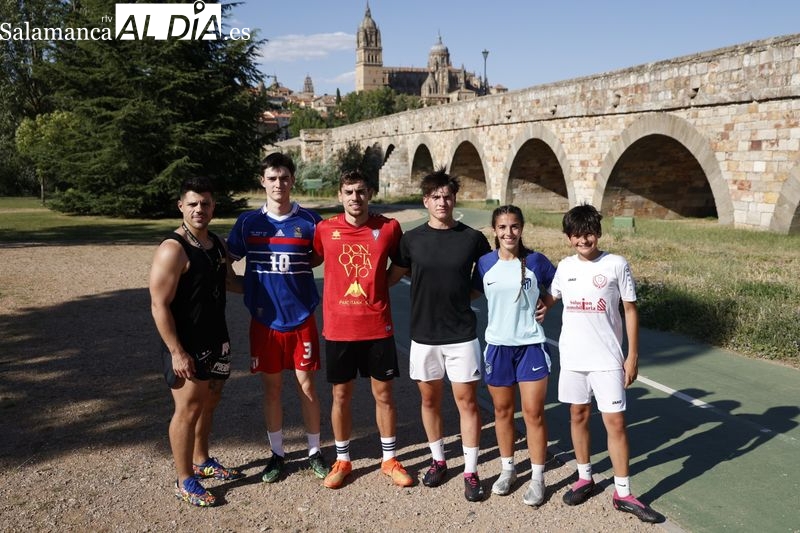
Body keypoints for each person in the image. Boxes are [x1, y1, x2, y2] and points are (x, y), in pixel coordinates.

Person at [549, 204, 664, 523]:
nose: (583, 240)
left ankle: (623, 492)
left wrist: (633, 355)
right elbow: (550, 298)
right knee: (577, 414)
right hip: (572, 358)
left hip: (608, 359)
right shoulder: (564, 266)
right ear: (568, 238)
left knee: (615, 422)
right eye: (575, 235)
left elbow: (630, 309)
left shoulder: (616, 264)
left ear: (597, 233)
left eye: (588, 233)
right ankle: (585, 477)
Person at [389, 169, 491, 502]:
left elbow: (489, 277)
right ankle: (438, 460)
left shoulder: (473, 238)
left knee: (467, 402)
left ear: (454, 199)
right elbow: (393, 276)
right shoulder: (411, 239)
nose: (442, 201)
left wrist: (463, 297)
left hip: (462, 334)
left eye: (447, 196)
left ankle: (472, 471)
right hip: (424, 335)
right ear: (426, 201)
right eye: (435, 196)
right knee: (430, 401)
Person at [226, 152, 330, 483]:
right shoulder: (248, 222)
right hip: (265, 322)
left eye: (284, 178)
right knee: (271, 389)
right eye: (272, 178)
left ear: (292, 181)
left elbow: (314, 258)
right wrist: (250, 289)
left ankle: (314, 451)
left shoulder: (311, 221)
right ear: (263, 181)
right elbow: (227, 263)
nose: (278, 184)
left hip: (301, 319)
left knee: (306, 387)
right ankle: (278, 454)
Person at [312, 170, 414, 490]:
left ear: (370, 193)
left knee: (383, 394)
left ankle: (389, 459)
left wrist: (379, 286)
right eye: (348, 192)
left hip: (376, 325)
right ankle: (342, 459)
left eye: (360, 191)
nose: (355, 197)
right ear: (340, 196)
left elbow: (400, 264)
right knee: (340, 395)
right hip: (339, 327)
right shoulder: (325, 229)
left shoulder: (388, 228)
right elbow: (311, 259)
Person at [149, 176, 243, 508]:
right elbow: (159, 304)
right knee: (187, 408)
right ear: (181, 207)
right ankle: (184, 478)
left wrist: (273, 286)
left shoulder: (216, 243)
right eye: (192, 203)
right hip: (186, 343)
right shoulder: (173, 249)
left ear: (213, 206)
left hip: (217, 337)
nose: (199, 209)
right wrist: (176, 351)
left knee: (211, 400)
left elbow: (230, 282)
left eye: (205, 203)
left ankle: (202, 459)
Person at [474, 205, 556, 506]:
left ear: (522, 228)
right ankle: (508, 469)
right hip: (497, 347)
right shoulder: (484, 263)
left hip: (531, 345)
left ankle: (537, 478)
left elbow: (560, 283)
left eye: (514, 227)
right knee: (502, 413)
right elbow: (469, 291)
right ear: (495, 231)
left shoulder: (536, 261)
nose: (509, 233)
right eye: (503, 227)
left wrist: (548, 303)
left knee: (533, 413)